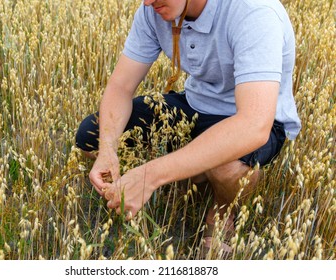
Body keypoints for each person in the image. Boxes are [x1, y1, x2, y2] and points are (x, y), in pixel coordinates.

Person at [75, 0, 301, 257]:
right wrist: (107, 150)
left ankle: (222, 212)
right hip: (195, 105)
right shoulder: (153, 10)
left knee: (227, 166)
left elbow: (254, 125)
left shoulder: (254, 11)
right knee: (91, 135)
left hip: (256, 120)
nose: (148, 2)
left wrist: (151, 174)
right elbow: (120, 88)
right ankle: (195, 171)